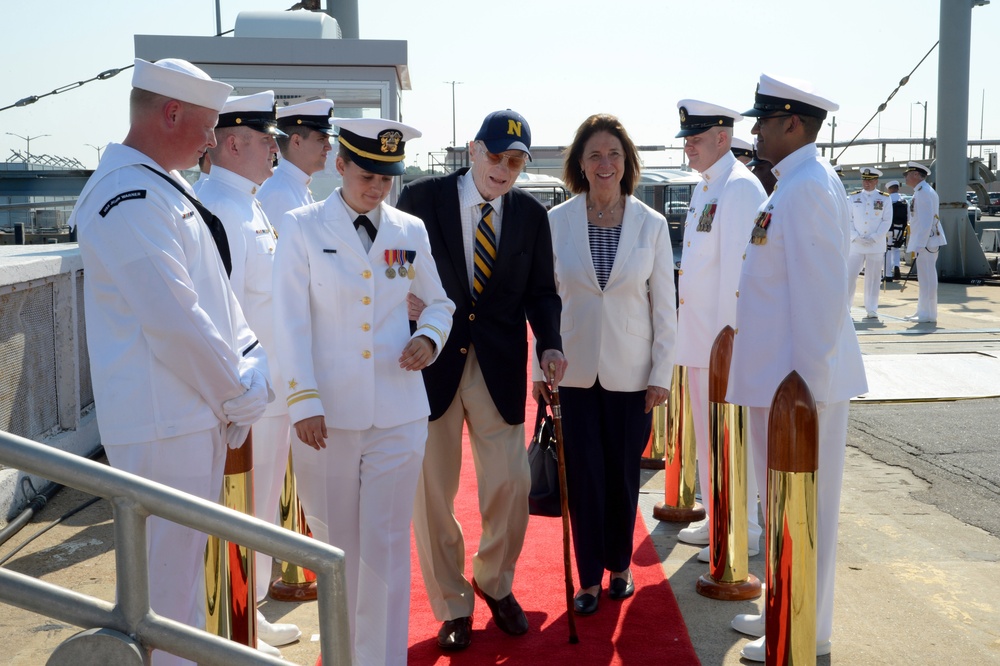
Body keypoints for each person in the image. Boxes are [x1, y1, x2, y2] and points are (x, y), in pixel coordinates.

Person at [71, 58, 272, 666]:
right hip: (166, 421)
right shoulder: (126, 195)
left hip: (190, 414)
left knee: (180, 590)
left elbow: (219, 299)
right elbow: (176, 319)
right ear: (172, 113)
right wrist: (240, 392)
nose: (214, 139)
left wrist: (250, 366)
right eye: (209, 125)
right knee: (163, 596)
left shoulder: (161, 184)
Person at [273, 117, 454, 665]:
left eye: (387, 177)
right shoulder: (301, 227)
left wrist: (429, 337)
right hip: (326, 419)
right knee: (337, 551)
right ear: (340, 165)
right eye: (367, 174)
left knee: (387, 548)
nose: (376, 187)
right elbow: (289, 322)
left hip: (398, 411)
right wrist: (303, 401)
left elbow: (440, 302)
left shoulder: (409, 230)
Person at [396, 109, 567, 651]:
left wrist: (551, 342)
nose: (504, 168)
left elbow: (542, 292)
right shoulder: (422, 201)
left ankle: (493, 581)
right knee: (432, 492)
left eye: (515, 160)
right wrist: (401, 301)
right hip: (432, 362)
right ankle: (451, 604)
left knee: (511, 485)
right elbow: (392, 265)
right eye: (495, 155)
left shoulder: (531, 217)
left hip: (497, 366)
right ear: (473, 150)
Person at [726, 74, 867, 662]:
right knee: (779, 506)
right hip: (779, 385)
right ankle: (784, 609)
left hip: (797, 389)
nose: (753, 130)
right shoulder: (794, 184)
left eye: (762, 119)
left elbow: (821, 296)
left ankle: (806, 629)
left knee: (805, 511)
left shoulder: (806, 187)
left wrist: (803, 393)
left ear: (792, 124)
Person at [533, 113, 675, 614]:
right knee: (584, 477)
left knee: (621, 475)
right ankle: (588, 578)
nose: (604, 163)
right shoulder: (556, 222)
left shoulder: (651, 225)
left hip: (632, 374)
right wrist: (538, 373)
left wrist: (661, 376)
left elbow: (665, 308)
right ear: (580, 164)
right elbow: (543, 299)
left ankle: (620, 566)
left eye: (613, 154)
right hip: (570, 372)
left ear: (627, 162)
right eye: (594, 154)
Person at [196, 90, 301, 657]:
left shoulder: (250, 202)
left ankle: (252, 613)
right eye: (266, 140)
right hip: (249, 394)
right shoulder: (218, 207)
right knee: (239, 510)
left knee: (259, 511)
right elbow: (223, 311)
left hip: (273, 391)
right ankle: (235, 621)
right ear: (233, 143)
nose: (275, 150)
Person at [670, 101, 766, 565]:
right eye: (686, 139)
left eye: (695, 139)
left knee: (731, 436)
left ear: (723, 138)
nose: (688, 147)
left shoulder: (739, 189)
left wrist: (732, 346)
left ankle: (742, 525)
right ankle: (718, 513)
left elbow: (737, 278)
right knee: (710, 438)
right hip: (699, 339)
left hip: (721, 343)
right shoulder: (709, 186)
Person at [257, 98, 334, 230]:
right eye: (322, 139)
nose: (328, 147)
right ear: (296, 141)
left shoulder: (292, 184)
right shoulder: (280, 194)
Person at [846, 167, 893, 319]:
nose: (866, 183)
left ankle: (871, 308)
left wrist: (875, 237)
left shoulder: (884, 198)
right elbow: (848, 219)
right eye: (864, 179)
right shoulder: (853, 197)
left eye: (870, 180)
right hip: (856, 244)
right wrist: (855, 236)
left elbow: (887, 220)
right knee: (850, 276)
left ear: (876, 181)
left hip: (875, 245)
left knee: (873, 279)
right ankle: (846, 307)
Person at [903, 161, 946, 323]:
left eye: (907, 174)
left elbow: (927, 221)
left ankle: (928, 314)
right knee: (924, 278)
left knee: (927, 278)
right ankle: (922, 311)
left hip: (927, 242)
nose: (906, 177)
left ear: (915, 175)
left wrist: (920, 244)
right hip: (925, 241)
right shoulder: (920, 191)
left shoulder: (924, 192)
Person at [883, 180, 907, 281]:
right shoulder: (904, 200)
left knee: (887, 251)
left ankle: (888, 274)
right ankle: (896, 266)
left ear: (889, 189)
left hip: (889, 229)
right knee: (896, 249)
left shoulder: (887, 199)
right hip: (900, 229)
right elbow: (908, 217)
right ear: (897, 188)